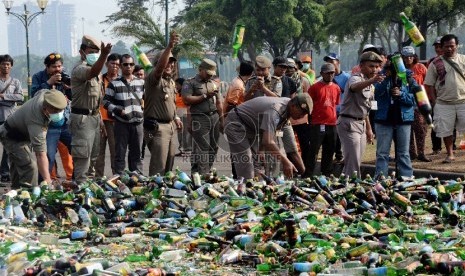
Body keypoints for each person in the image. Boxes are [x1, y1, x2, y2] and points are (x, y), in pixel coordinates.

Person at [224, 94, 311, 179]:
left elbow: (267, 130)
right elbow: (268, 141)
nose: (302, 116)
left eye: (305, 113)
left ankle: (254, 188)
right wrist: (285, 162)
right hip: (236, 123)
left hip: (252, 127)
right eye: (302, 112)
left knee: (257, 164)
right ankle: (244, 190)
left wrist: (261, 150)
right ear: (293, 106)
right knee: (246, 163)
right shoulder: (276, 110)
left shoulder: (287, 107)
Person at [0, 89, 67, 188]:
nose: (58, 114)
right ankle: (28, 196)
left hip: (22, 133)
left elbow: (42, 91)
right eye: (55, 111)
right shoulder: (36, 119)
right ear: (46, 108)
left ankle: (16, 193)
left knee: (19, 166)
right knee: (30, 167)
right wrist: (48, 180)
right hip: (11, 136)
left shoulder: (46, 95)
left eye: (61, 110)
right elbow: (40, 154)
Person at [70, 35, 112, 184]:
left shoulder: (97, 72)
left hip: (94, 117)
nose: (95, 54)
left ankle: (89, 190)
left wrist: (99, 118)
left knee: (94, 157)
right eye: (91, 51)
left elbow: (96, 99)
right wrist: (104, 55)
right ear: (82, 52)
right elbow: (91, 73)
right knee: (83, 157)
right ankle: (81, 193)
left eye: (97, 51)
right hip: (82, 119)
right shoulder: (80, 69)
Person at [337, 51, 385, 177]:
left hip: (361, 124)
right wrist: (372, 81)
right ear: (361, 66)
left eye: (376, 66)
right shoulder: (356, 77)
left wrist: (369, 129)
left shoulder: (370, 83)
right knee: (353, 163)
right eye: (371, 66)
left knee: (356, 161)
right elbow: (354, 87)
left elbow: (366, 110)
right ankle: (352, 189)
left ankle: (342, 185)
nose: (374, 69)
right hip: (349, 123)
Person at [143, 32, 182, 175]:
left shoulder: (170, 82)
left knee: (169, 164)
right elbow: (160, 68)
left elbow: (170, 103)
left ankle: (165, 193)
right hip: (157, 128)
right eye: (166, 61)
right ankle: (154, 192)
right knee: (158, 166)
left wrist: (176, 117)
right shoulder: (154, 78)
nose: (169, 64)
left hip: (170, 126)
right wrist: (170, 46)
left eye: (172, 62)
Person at [31, 53, 74, 182]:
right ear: (47, 67)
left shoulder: (65, 77)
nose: (58, 69)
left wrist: (69, 88)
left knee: (77, 151)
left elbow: (72, 97)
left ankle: (77, 181)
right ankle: (44, 184)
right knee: (48, 155)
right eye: (54, 67)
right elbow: (34, 96)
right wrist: (48, 83)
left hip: (64, 122)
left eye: (60, 66)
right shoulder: (38, 77)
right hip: (48, 124)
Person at [424, 34, 465, 164]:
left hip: (463, 101)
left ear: (456, 46)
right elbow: (429, 84)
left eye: (452, 46)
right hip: (443, 103)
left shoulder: (463, 60)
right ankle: (450, 154)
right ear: (441, 47)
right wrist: (435, 101)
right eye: (446, 46)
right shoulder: (435, 63)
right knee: (445, 130)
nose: (449, 49)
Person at [103, 54, 145, 175]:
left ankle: (137, 179)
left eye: (131, 64)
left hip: (138, 124)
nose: (128, 67)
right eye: (125, 64)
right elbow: (105, 102)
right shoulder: (114, 84)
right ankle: (120, 180)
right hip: (121, 124)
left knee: (137, 154)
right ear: (121, 66)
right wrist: (117, 110)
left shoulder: (141, 83)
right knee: (120, 154)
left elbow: (147, 100)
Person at [373, 57, 415, 178]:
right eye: (391, 64)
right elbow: (376, 93)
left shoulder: (408, 77)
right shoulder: (380, 77)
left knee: (403, 153)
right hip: (384, 119)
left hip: (403, 119)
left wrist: (401, 94)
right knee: (382, 153)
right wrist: (386, 78)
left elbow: (415, 98)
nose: (394, 67)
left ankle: (406, 179)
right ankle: (380, 180)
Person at [182, 58, 224, 175]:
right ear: (200, 70)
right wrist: (204, 96)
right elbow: (186, 99)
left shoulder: (214, 84)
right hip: (199, 118)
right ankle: (203, 175)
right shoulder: (190, 83)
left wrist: (222, 120)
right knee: (203, 148)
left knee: (214, 147)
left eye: (212, 74)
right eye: (208, 73)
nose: (210, 76)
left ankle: (203, 171)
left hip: (214, 116)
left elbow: (219, 103)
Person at [307, 63, 341, 176]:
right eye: (328, 73)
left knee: (330, 150)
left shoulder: (336, 88)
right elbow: (309, 104)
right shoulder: (314, 88)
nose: (330, 75)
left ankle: (326, 174)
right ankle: (309, 174)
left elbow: (335, 104)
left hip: (332, 123)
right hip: (317, 123)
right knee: (313, 151)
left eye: (332, 73)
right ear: (322, 74)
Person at [223, 61, 254, 178]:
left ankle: (237, 174)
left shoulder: (239, 81)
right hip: (235, 120)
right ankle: (237, 175)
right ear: (251, 73)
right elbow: (232, 104)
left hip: (236, 119)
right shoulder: (238, 85)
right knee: (237, 150)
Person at [401, 46, 431, 162]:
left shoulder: (420, 68)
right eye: (406, 57)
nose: (408, 59)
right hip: (405, 102)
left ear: (414, 57)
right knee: (407, 129)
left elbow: (427, 83)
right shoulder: (400, 69)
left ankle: (421, 153)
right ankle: (411, 153)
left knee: (420, 128)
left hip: (420, 102)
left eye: (410, 56)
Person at [95, 53, 120, 177]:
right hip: (100, 120)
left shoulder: (122, 81)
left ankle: (116, 177)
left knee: (115, 152)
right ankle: (98, 178)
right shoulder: (100, 79)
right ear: (106, 64)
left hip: (115, 122)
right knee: (99, 153)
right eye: (112, 63)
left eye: (117, 64)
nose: (115, 66)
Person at [324, 53, 350, 164]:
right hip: (332, 111)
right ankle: (338, 156)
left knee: (344, 136)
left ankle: (344, 156)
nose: (330, 64)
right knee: (333, 137)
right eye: (328, 62)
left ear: (338, 62)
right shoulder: (326, 78)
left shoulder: (347, 77)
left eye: (332, 61)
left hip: (344, 110)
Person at [0, 55, 23, 182]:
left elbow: (20, 97)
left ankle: (5, 172)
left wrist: (4, 96)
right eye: (3, 64)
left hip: (9, 118)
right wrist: (11, 97)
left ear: (11, 66)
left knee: (8, 148)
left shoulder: (16, 82)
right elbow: (15, 97)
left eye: (8, 64)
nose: (6, 66)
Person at [427, 36, 446, 155]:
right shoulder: (432, 62)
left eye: (440, 47)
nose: (438, 49)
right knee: (435, 123)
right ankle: (436, 147)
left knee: (452, 123)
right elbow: (429, 83)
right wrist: (433, 99)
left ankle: (452, 145)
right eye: (437, 47)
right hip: (436, 97)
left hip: (450, 97)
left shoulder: (455, 60)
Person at [174, 78, 191, 157]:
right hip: (178, 114)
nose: (176, 86)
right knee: (180, 133)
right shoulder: (177, 93)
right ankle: (181, 149)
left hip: (185, 113)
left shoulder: (186, 92)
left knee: (185, 133)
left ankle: (187, 150)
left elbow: (188, 103)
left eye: (177, 84)